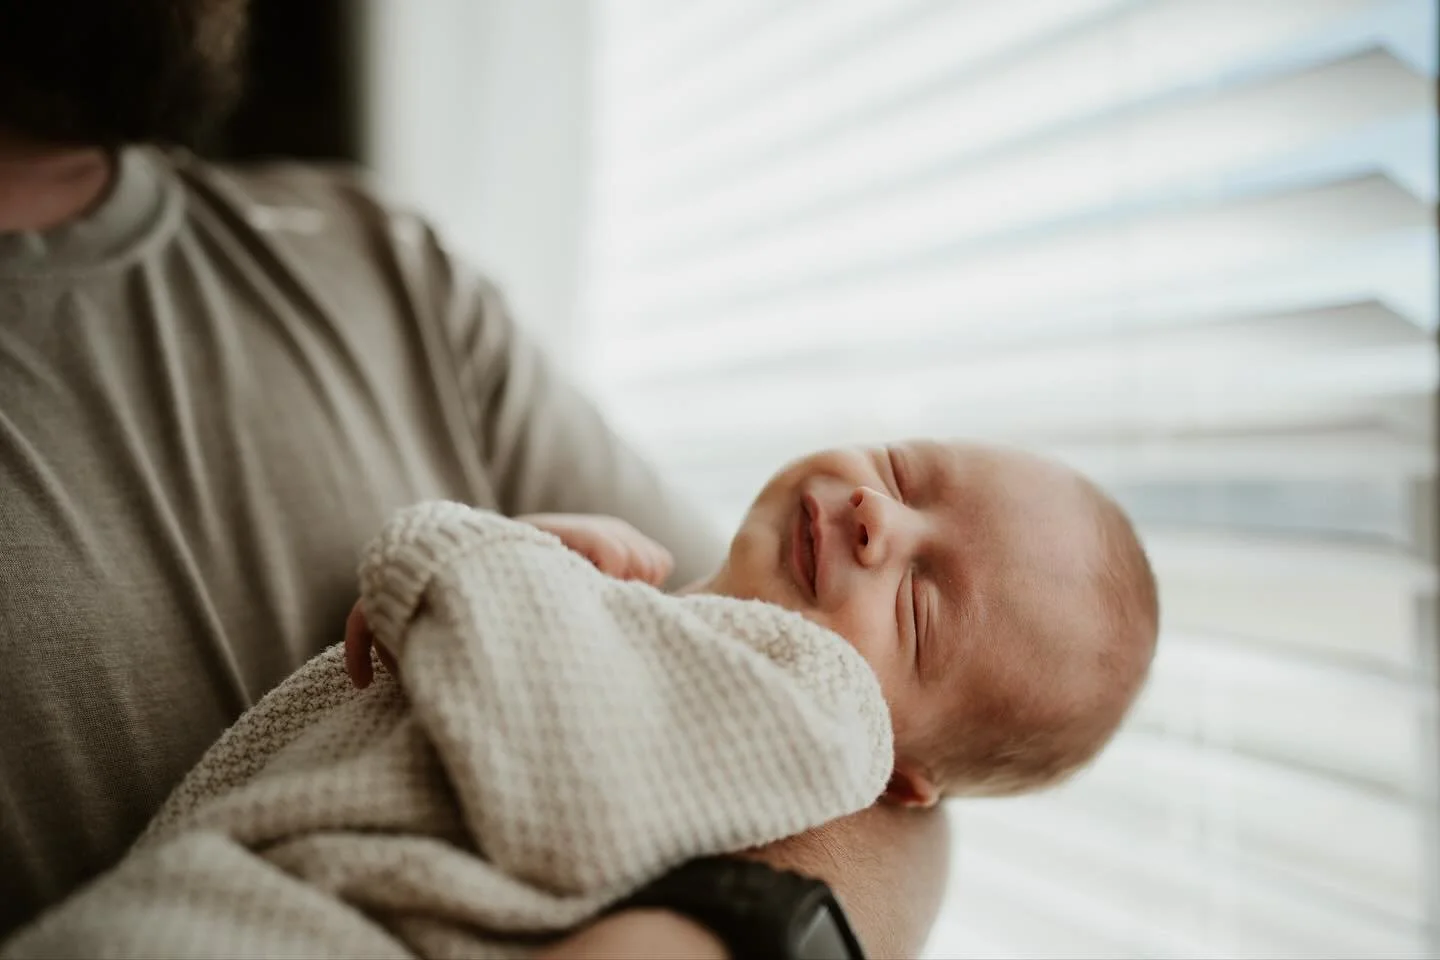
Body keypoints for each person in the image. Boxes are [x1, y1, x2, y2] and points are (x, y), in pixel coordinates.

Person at [0, 0, 950, 954]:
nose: (880, 518)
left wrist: (707, 940)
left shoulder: (375, 255)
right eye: (904, 472)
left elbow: (885, 752)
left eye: (927, 599)